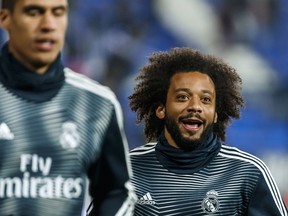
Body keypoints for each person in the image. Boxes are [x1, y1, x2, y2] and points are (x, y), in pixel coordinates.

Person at [0, 0, 136, 215]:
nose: (48, 24)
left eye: (58, 12)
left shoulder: (98, 104)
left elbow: (116, 193)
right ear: (5, 18)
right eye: (34, 12)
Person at [128, 47, 288, 215]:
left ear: (215, 115)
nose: (195, 107)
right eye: (182, 97)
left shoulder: (248, 173)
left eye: (205, 100)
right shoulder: (128, 171)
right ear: (161, 109)